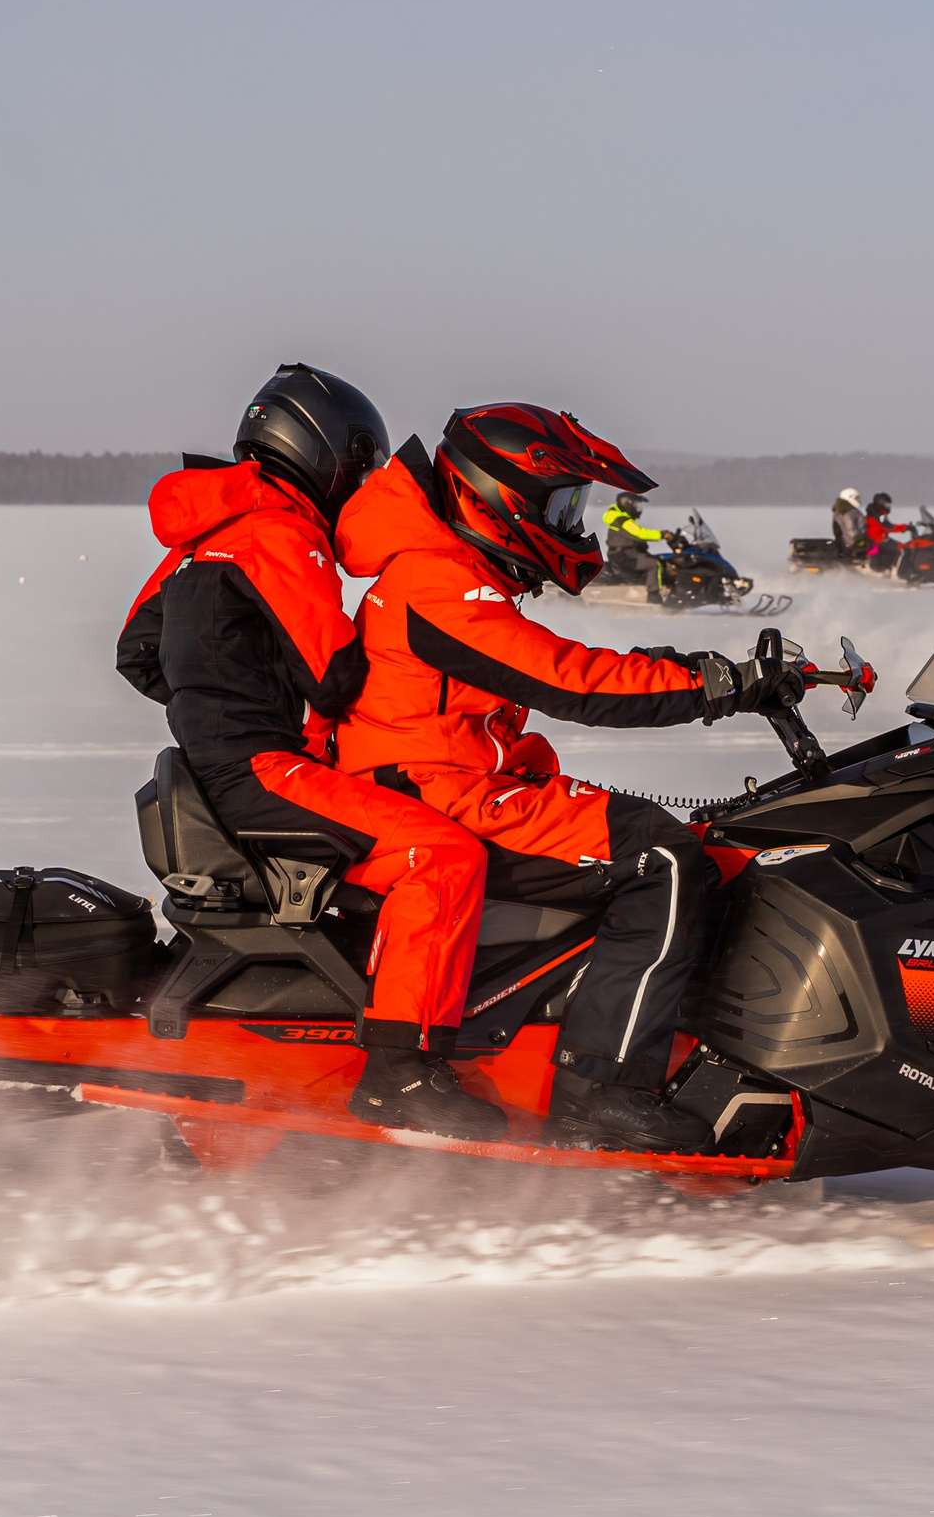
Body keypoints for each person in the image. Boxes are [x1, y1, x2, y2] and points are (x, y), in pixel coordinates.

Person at [330, 403, 807, 1153]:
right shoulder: (435, 581)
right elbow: (569, 680)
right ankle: (604, 1090)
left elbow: (554, 662)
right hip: (438, 791)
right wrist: (716, 687)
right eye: (559, 505)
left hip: (454, 780)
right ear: (495, 498)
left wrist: (699, 670)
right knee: (663, 859)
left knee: (678, 837)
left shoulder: (446, 570)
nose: (571, 524)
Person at [115, 364, 504, 1141]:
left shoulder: (203, 534)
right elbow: (332, 677)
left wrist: (214, 703)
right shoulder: (280, 529)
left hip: (223, 764)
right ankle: (401, 1071)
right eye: (359, 470)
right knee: (444, 855)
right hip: (264, 767)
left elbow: (137, 651)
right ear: (331, 454)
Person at [599, 489, 667, 589]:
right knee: (654, 564)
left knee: (654, 559)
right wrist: (662, 535)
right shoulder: (622, 521)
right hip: (624, 554)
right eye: (636, 505)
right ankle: (654, 595)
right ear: (628, 504)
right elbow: (639, 533)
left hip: (623, 553)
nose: (637, 508)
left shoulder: (619, 519)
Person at [861, 492, 910, 571]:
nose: (888, 507)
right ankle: (897, 571)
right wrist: (906, 527)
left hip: (879, 540)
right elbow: (889, 527)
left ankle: (888, 567)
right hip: (878, 541)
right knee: (903, 549)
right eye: (887, 505)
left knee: (899, 546)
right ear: (881, 504)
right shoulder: (877, 516)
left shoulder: (875, 514)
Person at [829, 487, 866, 559]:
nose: (858, 500)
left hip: (847, 543)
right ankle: (879, 568)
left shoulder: (843, 510)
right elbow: (850, 528)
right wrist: (858, 541)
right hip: (852, 544)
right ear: (849, 497)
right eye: (856, 498)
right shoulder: (847, 512)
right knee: (877, 549)